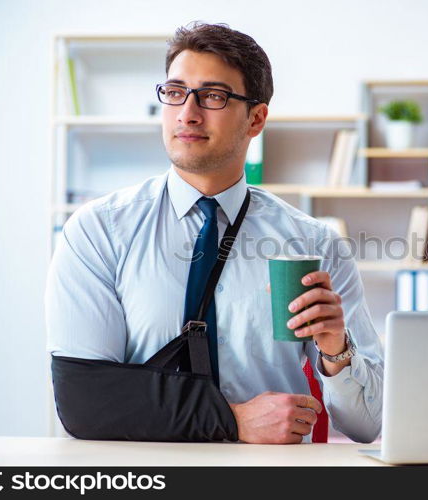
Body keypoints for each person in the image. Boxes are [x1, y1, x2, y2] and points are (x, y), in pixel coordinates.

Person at [45, 22, 383, 444]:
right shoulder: (99, 231)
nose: (187, 112)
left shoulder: (315, 244)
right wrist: (231, 419)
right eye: (174, 92)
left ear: (256, 118)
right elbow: (85, 400)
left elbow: (369, 424)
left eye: (213, 96)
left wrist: (336, 349)